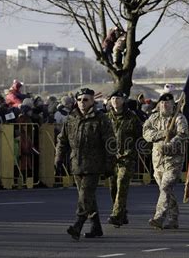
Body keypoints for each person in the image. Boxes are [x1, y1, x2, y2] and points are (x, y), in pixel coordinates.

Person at [55, 88, 115, 240]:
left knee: (85, 196)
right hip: (76, 163)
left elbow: (110, 142)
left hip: (94, 164)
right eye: (80, 99)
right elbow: (62, 140)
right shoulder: (71, 118)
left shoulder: (100, 118)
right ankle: (96, 227)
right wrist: (58, 158)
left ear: (92, 101)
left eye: (86, 99)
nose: (82, 102)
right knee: (88, 197)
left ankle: (78, 224)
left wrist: (110, 163)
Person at [142, 93, 188, 230]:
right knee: (166, 191)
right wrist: (162, 134)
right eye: (162, 102)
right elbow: (146, 133)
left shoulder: (179, 118)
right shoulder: (154, 117)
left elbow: (183, 134)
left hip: (173, 160)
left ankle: (159, 217)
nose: (164, 105)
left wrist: (170, 143)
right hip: (158, 161)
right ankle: (173, 218)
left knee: (166, 187)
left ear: (173, 104)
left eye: (168, 102)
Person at [106, 90, 142, 227]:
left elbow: (141, 134)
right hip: (110, 158)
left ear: (123, 101)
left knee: (122, 186)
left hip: (127, 157)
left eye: (118, 98)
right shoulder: (105, 117)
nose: (115, 100)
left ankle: (116, 215)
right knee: (113, 188)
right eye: (113, 98)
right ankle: (122, 213)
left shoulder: (131, 118)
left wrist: (139, 149)